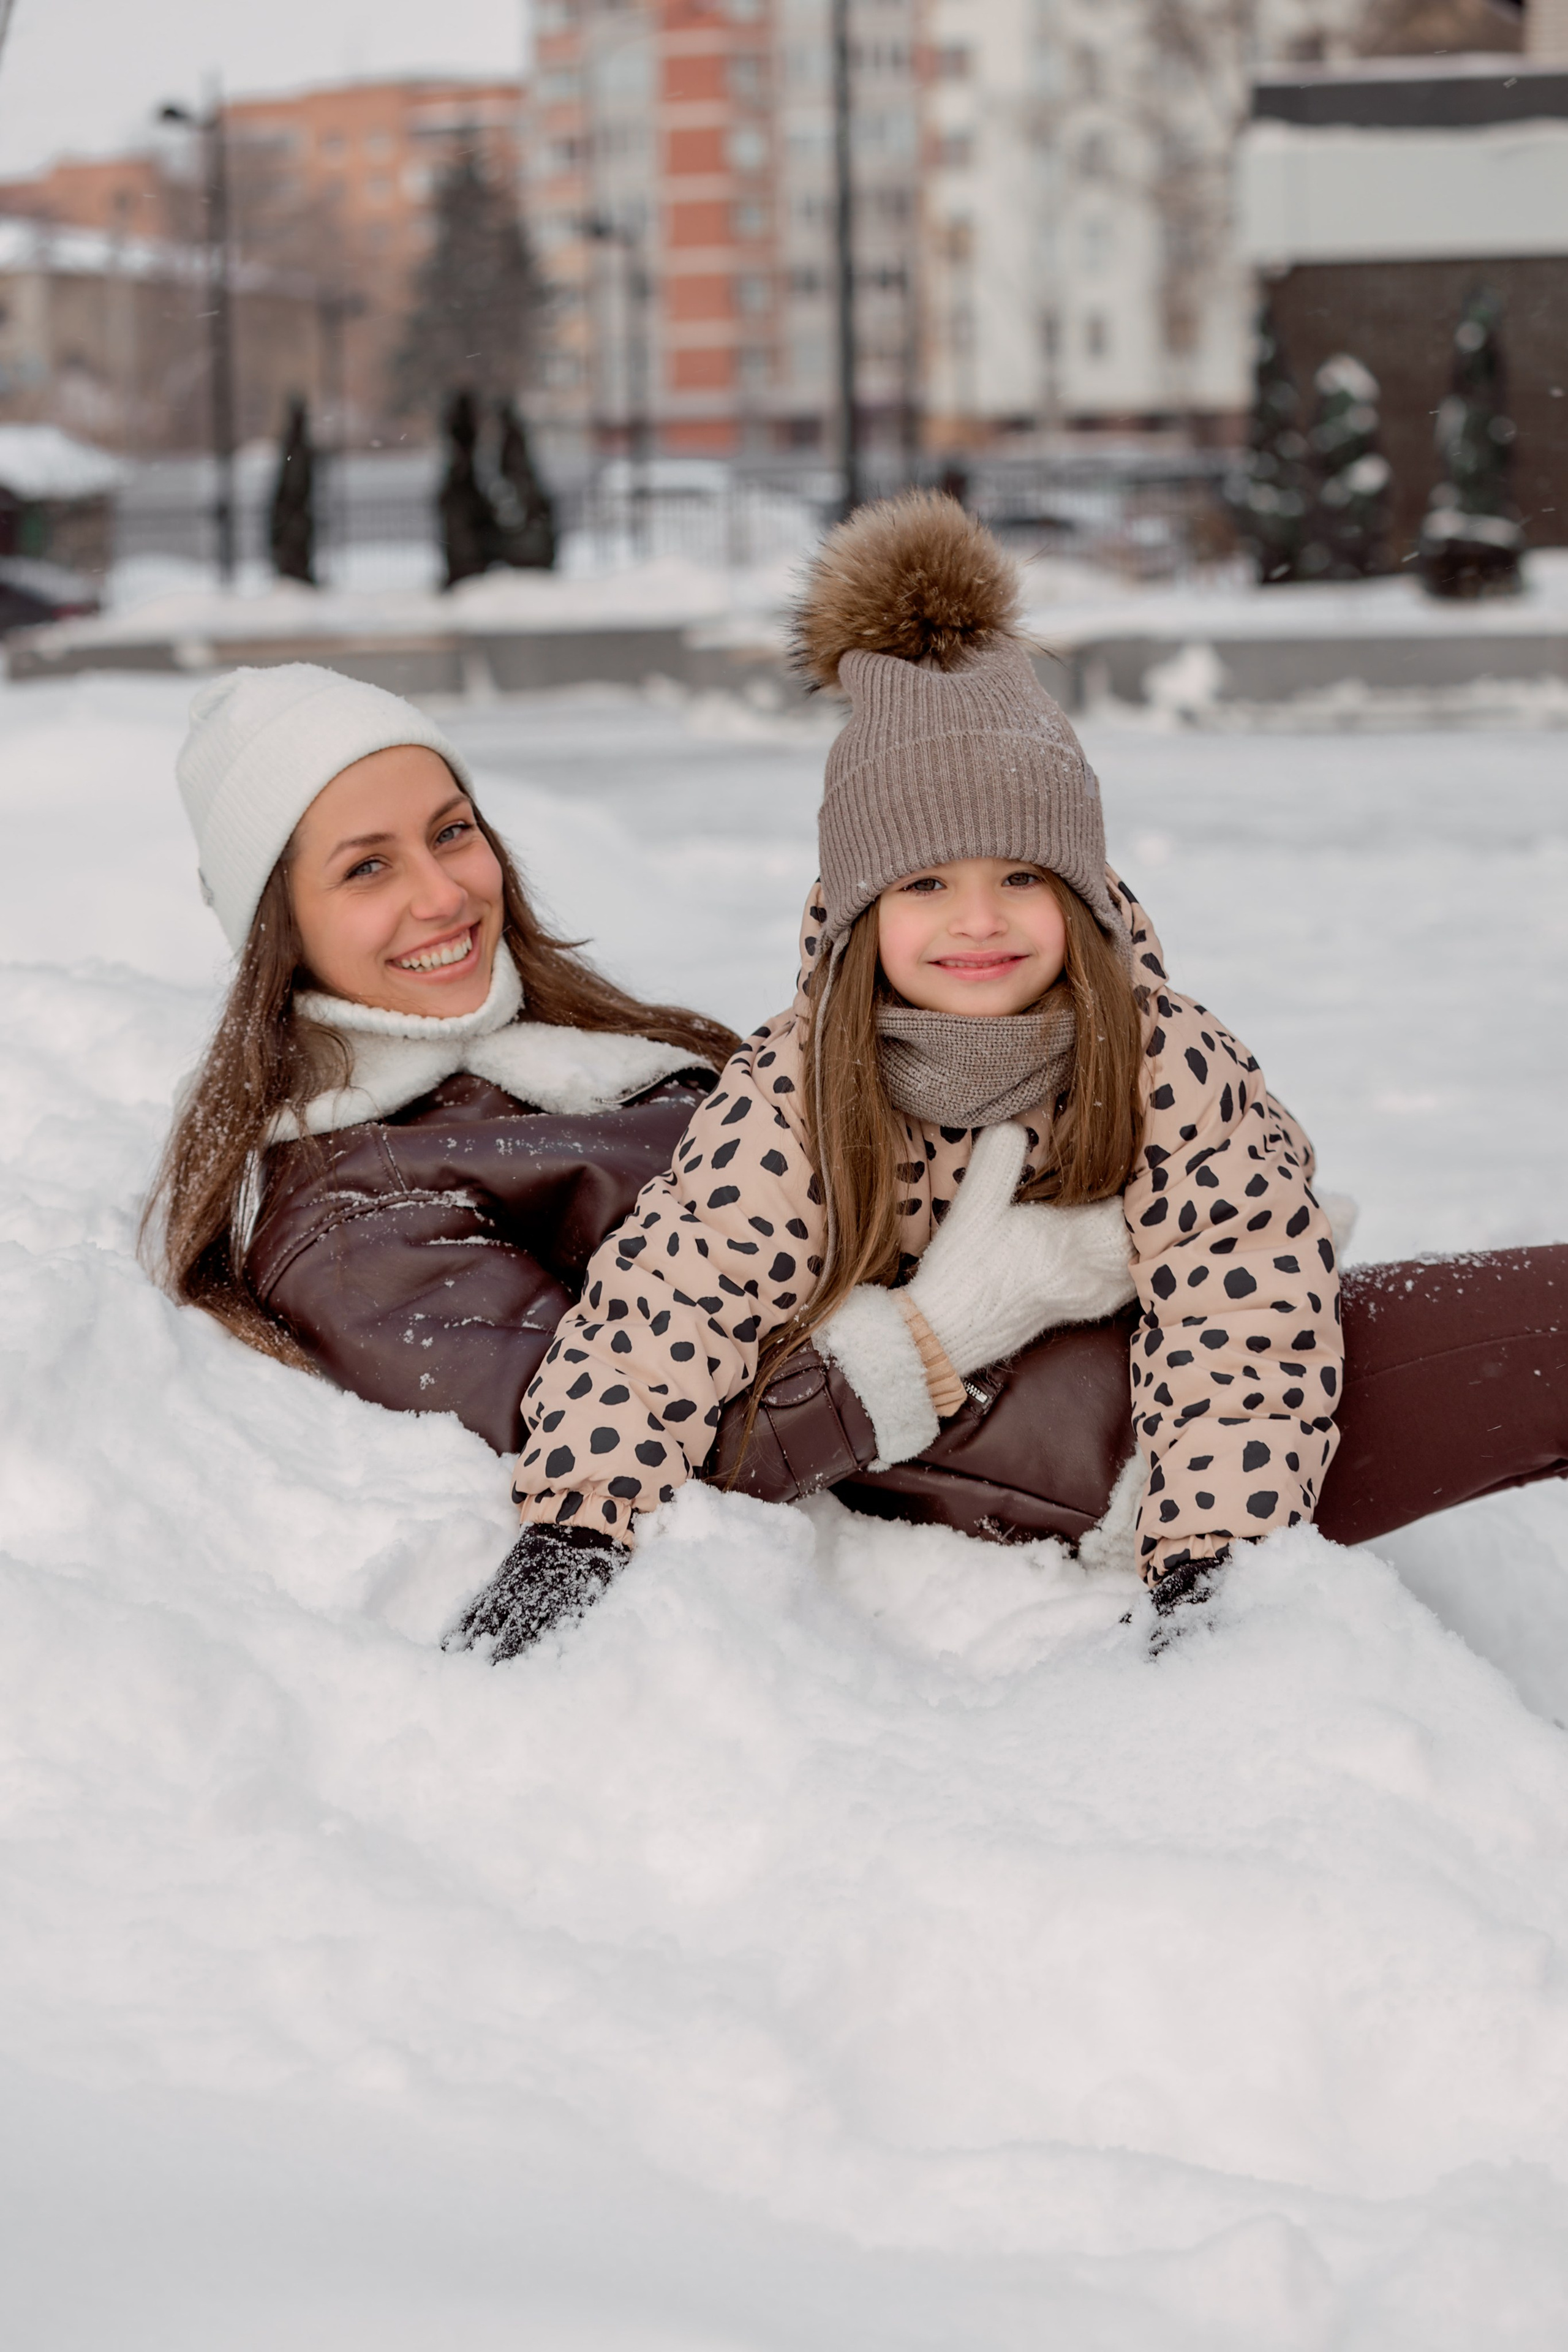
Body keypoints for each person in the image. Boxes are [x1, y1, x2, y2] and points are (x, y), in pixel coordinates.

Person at [460, 492, 1568, 1657]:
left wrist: (1210, 1561)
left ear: (1084, 895)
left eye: (1022, 878)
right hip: (967, 1485)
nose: (977, 921)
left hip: (1154, 1456)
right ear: (857, 913)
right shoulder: (803, 1085)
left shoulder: (1161, 1059)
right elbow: (678, 1295)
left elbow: (1241, 1308)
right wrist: (578, 1525)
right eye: (924, 886)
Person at [143, 664, 737, 1447]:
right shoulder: (355, 1221)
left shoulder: (590, 1035)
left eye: (450, 832)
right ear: (277, 928)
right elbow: (611, 1432)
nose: (444, 896)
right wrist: (912, 1350)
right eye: (367, 867)